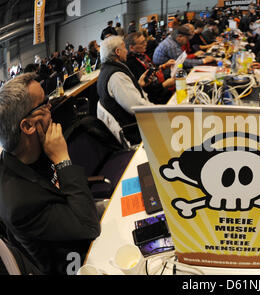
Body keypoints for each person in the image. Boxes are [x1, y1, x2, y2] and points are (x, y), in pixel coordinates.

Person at [0, 73, 101, 274]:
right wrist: (62, 159)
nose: (51, 107)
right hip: (79, 261)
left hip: (83, 218)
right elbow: (89, 227)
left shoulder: (36, 148)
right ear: (27, 125)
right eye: (44, 104)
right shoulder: (20, 203)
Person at [97, 36, 153, 145]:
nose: (127, 51)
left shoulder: (107, 70)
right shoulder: (116, 76)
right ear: (118, 51)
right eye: (124, 48)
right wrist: (164, 112)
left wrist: (139, 85)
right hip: (137, 131)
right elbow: (137, 108)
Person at [124, 32, 175, 104]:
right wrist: (165, 84)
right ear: (132, 48)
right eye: (142, 43)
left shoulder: (141, 55)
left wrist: (164, 66)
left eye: (145, 41)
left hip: (159, 89)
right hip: (155, 97)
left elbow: (151, 70)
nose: (145, 44)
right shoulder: (132, 63)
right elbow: (146, 89)